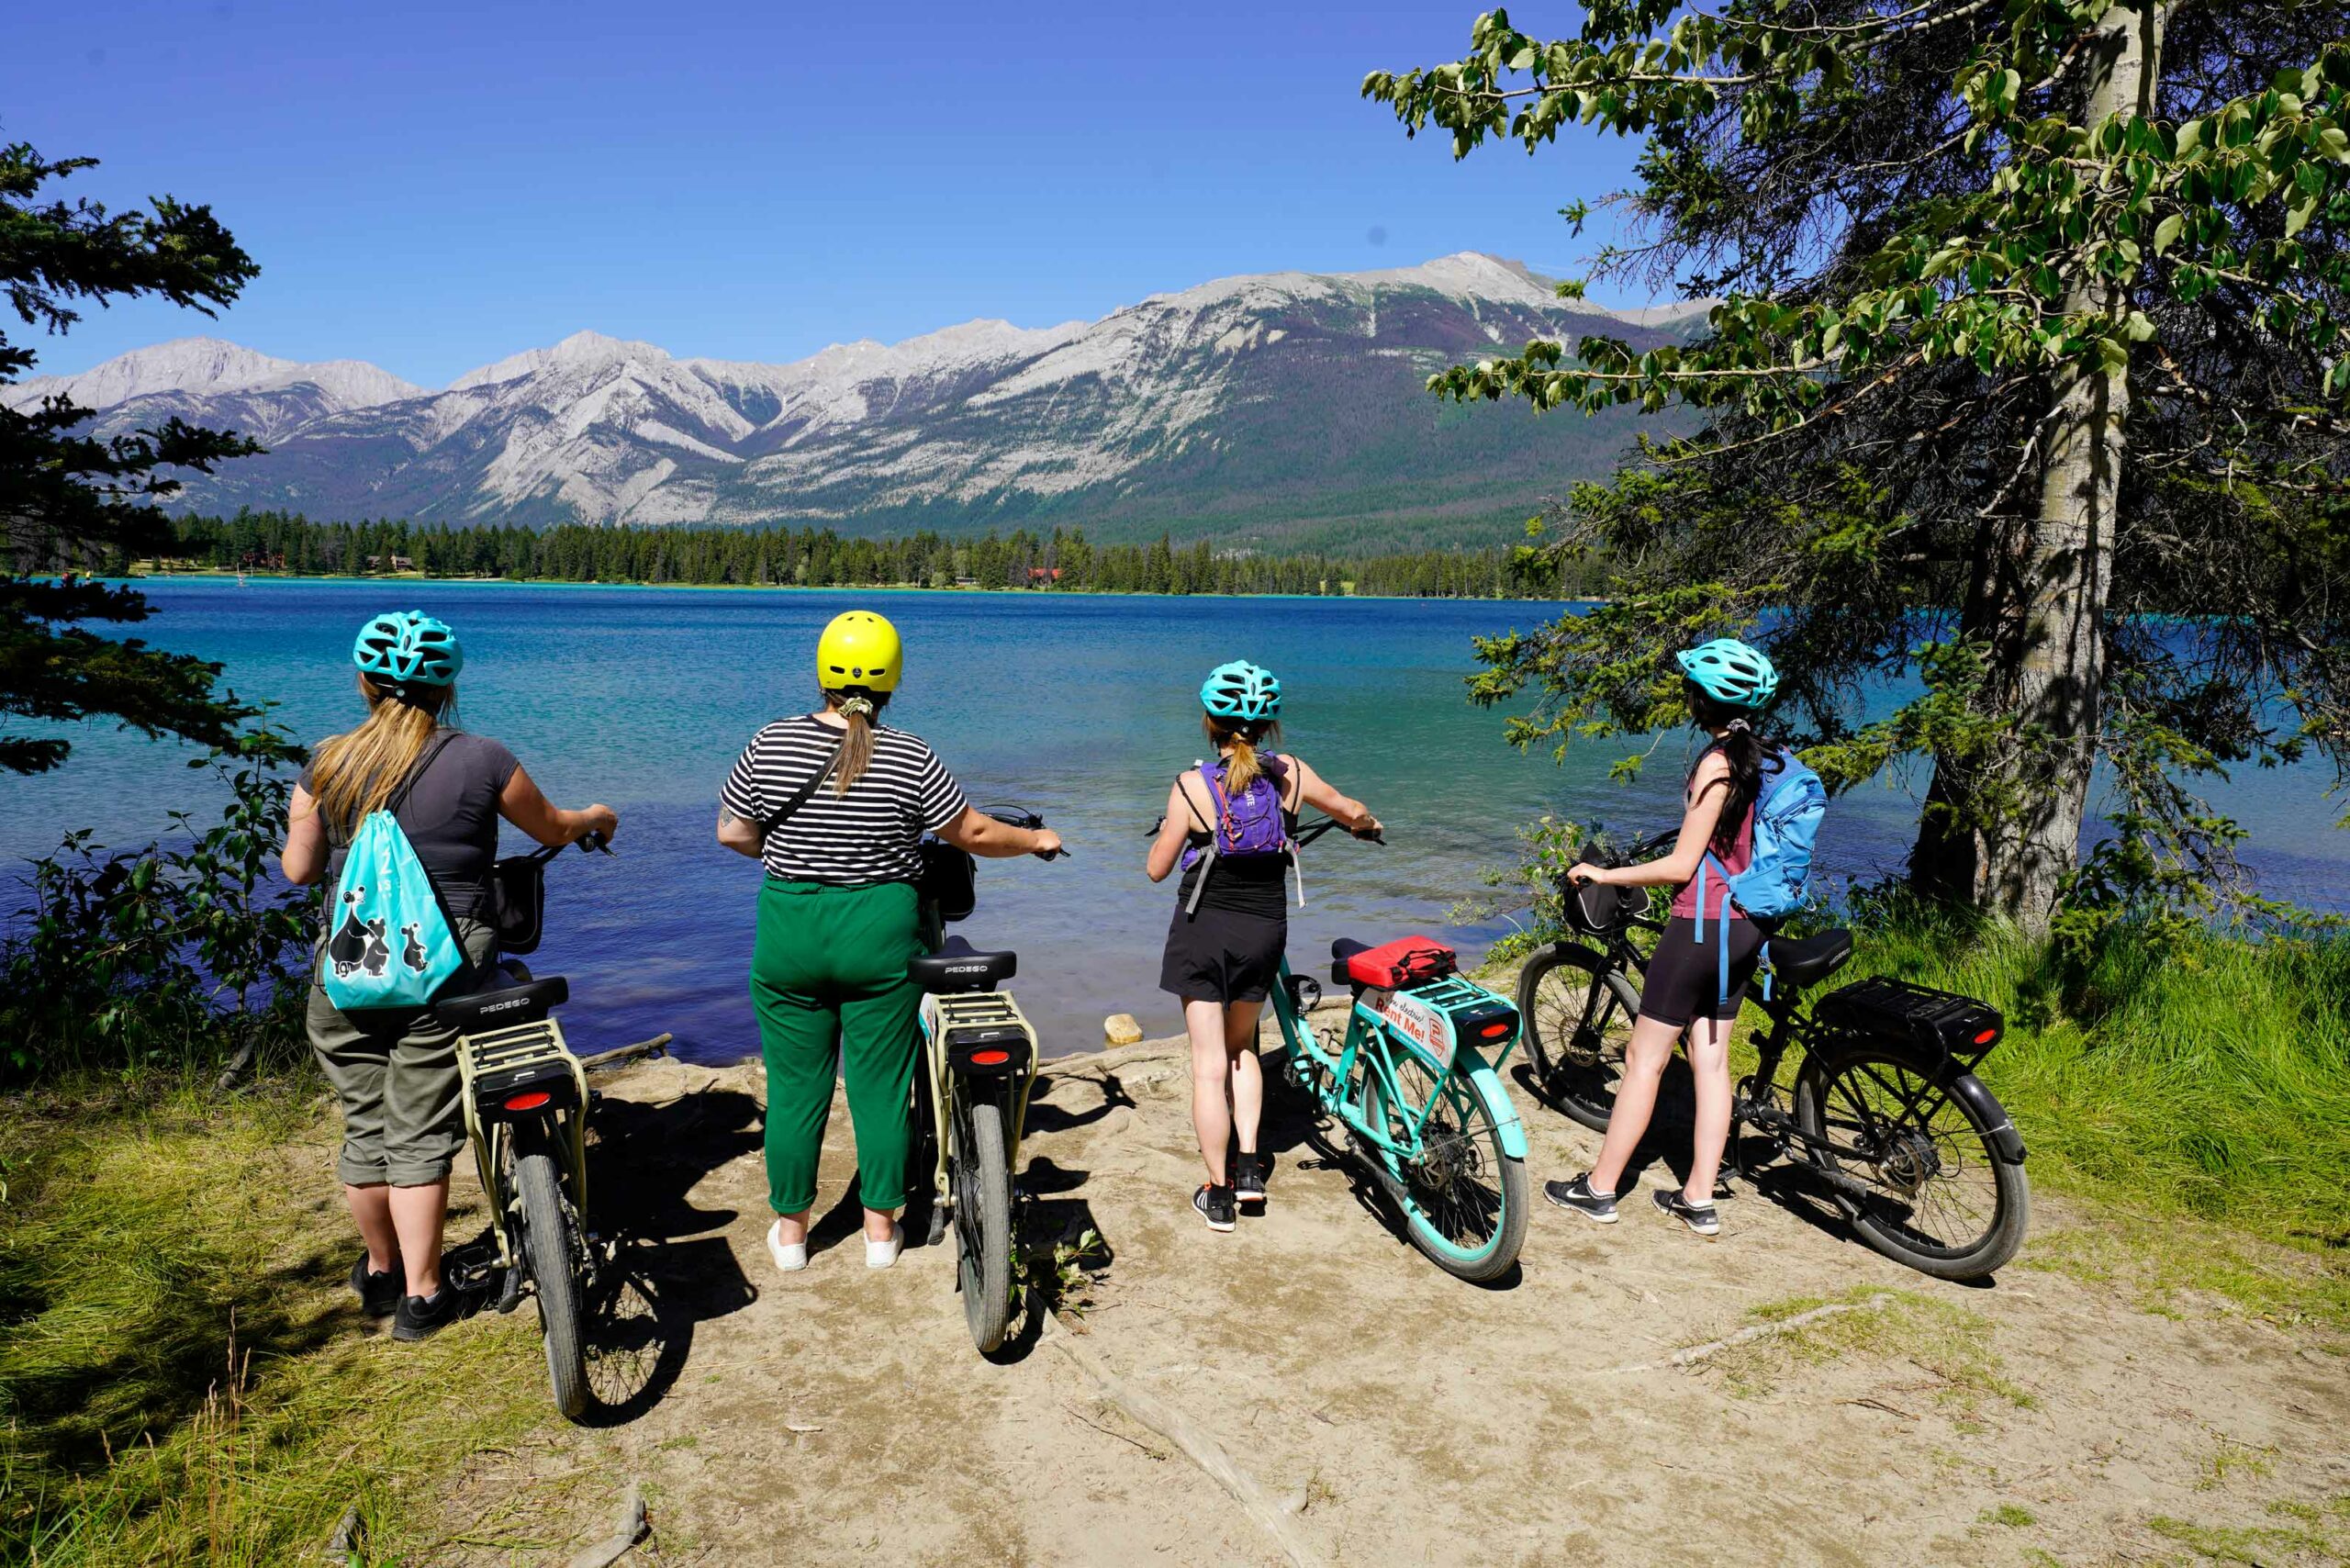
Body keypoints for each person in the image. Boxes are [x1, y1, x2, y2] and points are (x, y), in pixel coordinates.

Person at [281, 610, 619, 1339]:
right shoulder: (484, 759)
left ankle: (380, 1274)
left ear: (366, 682)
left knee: (365, 1123)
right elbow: (554, 829)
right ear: (447, 688)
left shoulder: (326, 764)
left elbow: (299, 869)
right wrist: (595, 815)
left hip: (347, 971)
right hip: (444, 975)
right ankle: (425, 1295)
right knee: (420, 1134)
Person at [717, 610, 1059, 1274]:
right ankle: (880, 1232)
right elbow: (976, 834)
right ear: (892, 679)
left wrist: (791, 853)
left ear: (821, 673)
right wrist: (1038, 840)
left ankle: (791, 1236)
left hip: (790, 929)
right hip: (881, 933)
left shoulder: (769, 743)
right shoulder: (910, 752)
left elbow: (733, 833)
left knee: (793, 1090)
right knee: (879, 1086)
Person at [1544, 637, 1785, 1239]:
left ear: (1705, 699)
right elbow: (1727, 837)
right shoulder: (1764, 755)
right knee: (1711, 1062)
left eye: (1692, 689)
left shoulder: (1715, 762)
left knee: (1644, 1061)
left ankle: (1599, 1189)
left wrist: (1605, 873)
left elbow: (1682, 868)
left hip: (1700, 927)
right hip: (1744, 928)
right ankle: (1698, 1199)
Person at [1146, 659, 1380, 1232]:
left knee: (1206, 1068)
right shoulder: (1291, 775)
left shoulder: (1191, 784)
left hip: (1202, 933)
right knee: (1243, 1049)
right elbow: (1349, 808)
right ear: (1270, 726)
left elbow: (1157, 870)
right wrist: (1364, 824)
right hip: (1264, 932)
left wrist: (1173, 830)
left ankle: (1218, 1192)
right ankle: (1251, 1170)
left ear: (1210, 723)